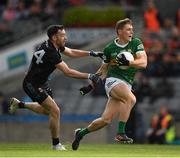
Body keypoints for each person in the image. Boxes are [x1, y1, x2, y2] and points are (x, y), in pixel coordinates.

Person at [9, 25, 102, 151]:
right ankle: (56, 145)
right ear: (54, 37)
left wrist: (92, 53)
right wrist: (90, 75)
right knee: (55, 111)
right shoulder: (51, 52)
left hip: (42, 83)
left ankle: (19, 104)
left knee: (47, 111)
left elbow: (70, 52)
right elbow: (68, 72)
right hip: (32, 84)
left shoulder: (51, 45)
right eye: (62, 35)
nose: (65, 37)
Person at [72, 18, 147, 150]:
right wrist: (91, 85)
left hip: (127, 84)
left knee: (105, 120)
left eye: (132, 29)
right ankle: (120, 133)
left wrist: (129, 63)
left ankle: (81, 133)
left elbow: (143, 62)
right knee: (131, 99)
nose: (131, 31)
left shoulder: (136, 43)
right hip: (113, 81)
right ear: (120, 31)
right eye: (128, 29)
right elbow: (103, 69)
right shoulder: (109, 48)